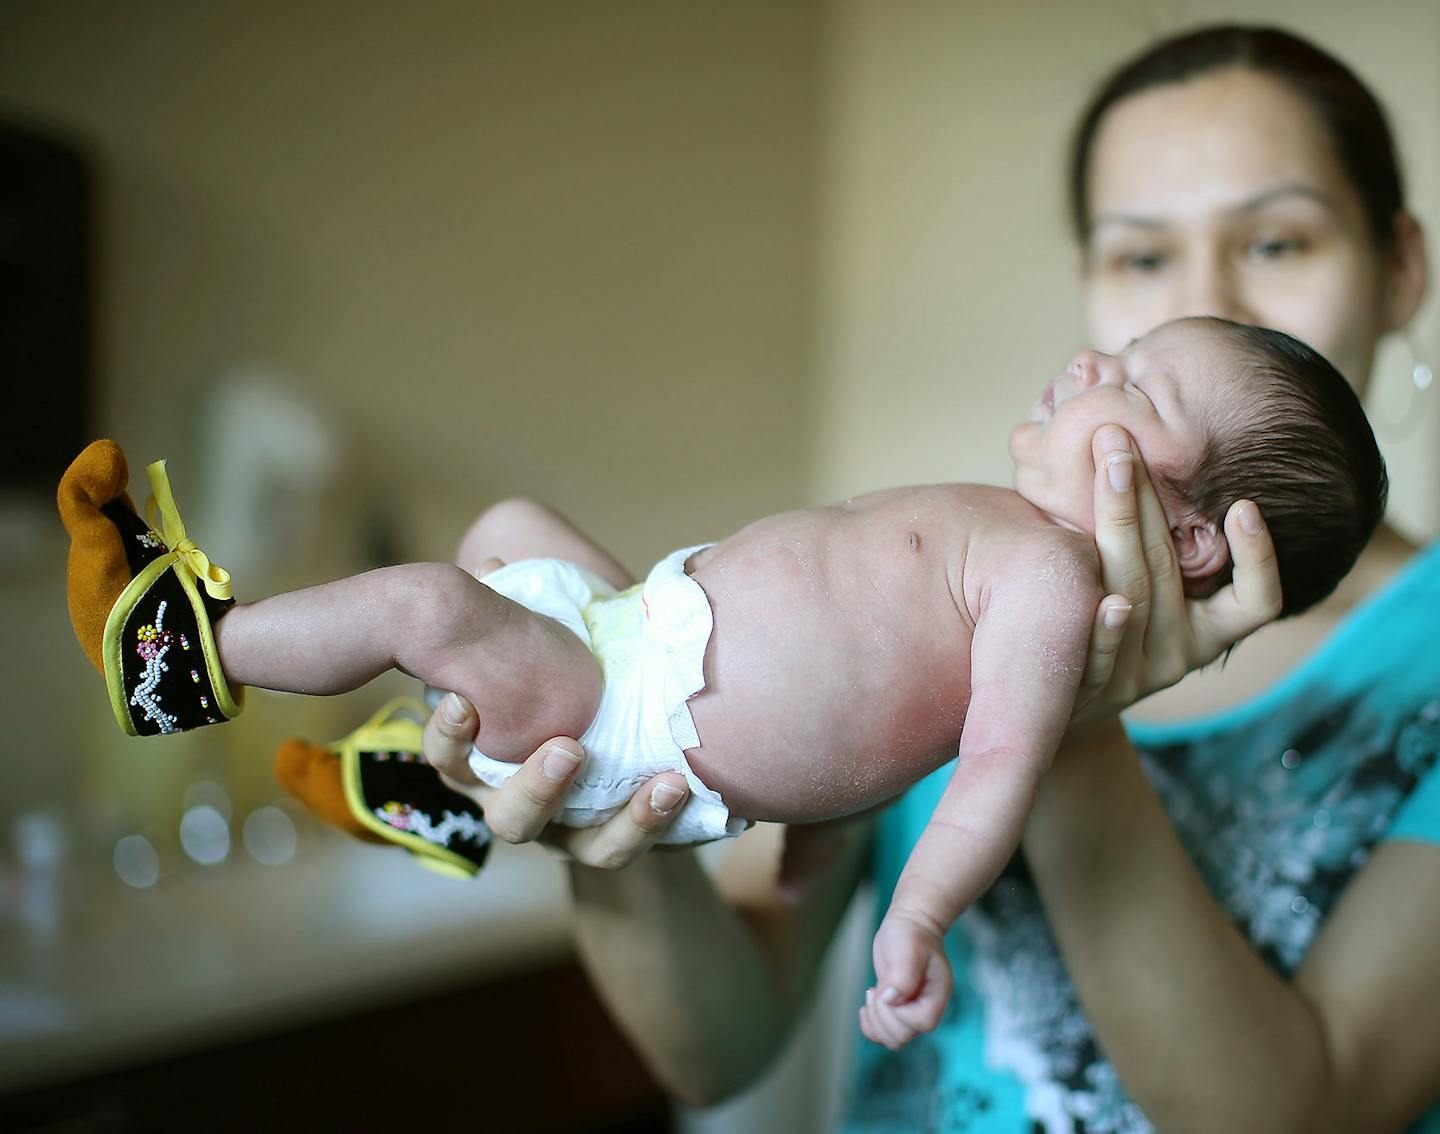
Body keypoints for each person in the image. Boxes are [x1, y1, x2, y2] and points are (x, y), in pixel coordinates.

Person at [413, 23, 1439, 1132]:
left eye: (1278, 242)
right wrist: (610, 773)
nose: (1208, 305)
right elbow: (717, 1051)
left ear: (1400, 270)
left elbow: (1307, 1116)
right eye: (1142, 256)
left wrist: (1073, 724)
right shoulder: (946, 576)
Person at [60, 314, 1385, 1050]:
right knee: (509, 521)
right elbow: (874, 734)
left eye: (1143, 387)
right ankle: (435, 793)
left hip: (640, 718)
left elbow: (988, 762)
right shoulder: (1004, 524)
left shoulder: (1043, 586)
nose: (1099, 357)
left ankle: (181, 651)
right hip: (638, 624)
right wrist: (822, 845)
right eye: (1130, 327)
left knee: (426, 602)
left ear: (1200, 537)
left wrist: (912, 917)